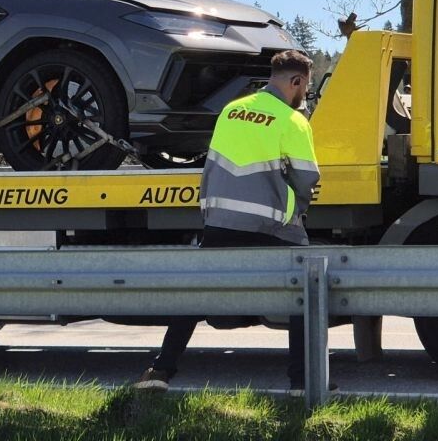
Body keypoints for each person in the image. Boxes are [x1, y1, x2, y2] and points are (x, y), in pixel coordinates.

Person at [133, 49, 320, 392]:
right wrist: (297, 209)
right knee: (306, 293)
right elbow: (307, 178)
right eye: (305, 88)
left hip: (220, 221)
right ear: (296, 81)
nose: (304, 95)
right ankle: (302, 382)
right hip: (272, 226)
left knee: (196, 294)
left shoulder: (231, 111)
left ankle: (160, 373)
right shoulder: (293, 121)